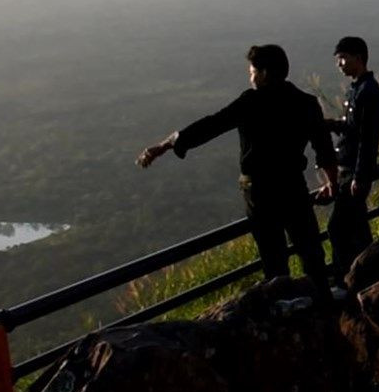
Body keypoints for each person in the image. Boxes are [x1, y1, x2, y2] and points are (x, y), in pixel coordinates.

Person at [137, 45, 337, 284]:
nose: (250, 77)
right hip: (293, 185)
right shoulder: (306, 103)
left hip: (260, 191)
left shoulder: (251, 102)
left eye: (252, 72)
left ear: (264, 73)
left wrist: (166, 144)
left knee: (273, 256)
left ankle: (283, 299)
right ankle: (322, 295)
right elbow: (324, 148)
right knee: (310, 249)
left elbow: (212, 125)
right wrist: (332, 182)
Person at [326, 36, 379, 290]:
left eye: (343, 58)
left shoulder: (368, 91)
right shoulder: (358, 89)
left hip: (354, 172)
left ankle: (345, 280)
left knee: (337, 227)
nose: (339, 64)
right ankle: (367, 275)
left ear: (358, 58)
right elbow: (352, 128)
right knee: (357, 229)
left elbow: (367, 139)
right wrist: (330, 124)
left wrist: (360, 176)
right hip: (349, 170)